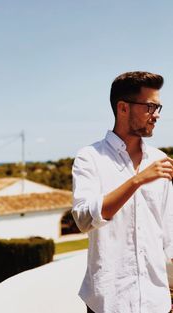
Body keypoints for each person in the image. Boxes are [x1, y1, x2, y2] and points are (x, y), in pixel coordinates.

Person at [72, 71, 173, 313]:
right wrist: (138, 180)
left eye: (159, 107)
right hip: (109, 303)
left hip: (156, 302)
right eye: (150, 107)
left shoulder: (160, 160)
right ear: (123, 108)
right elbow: (84, 219)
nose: (157, 115)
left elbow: (169, 232)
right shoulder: (89, 158)